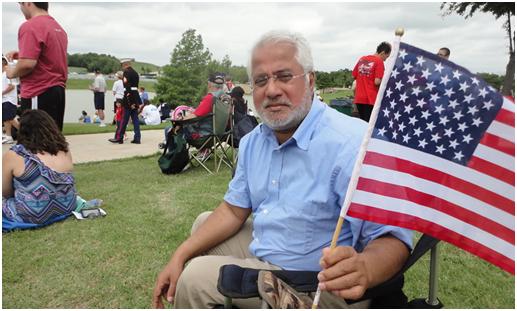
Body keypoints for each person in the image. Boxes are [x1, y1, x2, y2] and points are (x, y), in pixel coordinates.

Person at [152, 30, 412, 309]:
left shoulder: (353, 144)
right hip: (276, 252)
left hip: (317, 283)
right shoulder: (254, 141)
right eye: (261, 80)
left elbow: (392, 238)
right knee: (203, 224)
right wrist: (179, 255)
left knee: (195, 278)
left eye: (284, 76)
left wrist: (365, 267)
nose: (272, 90)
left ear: (310, 80)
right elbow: (232, 210)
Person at [2, 110, 76, 231]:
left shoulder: (15, 154)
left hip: (32, 215)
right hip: (67, 207)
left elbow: (5, 192)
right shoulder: (64, 150)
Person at [5, 2, 68, 131]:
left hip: (38, 91)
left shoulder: (30, 26)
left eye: (20, 4)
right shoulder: (58, 28)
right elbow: (49, 57)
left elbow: (27, 64)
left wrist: (11, 73)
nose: (21, 8)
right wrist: (21, 54)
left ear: (28, 3)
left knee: (34, 144)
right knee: (54, 142)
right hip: (57, 91)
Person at [352, 41, 391, 122]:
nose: (385, 60)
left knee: (362, 122)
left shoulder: (362, 59)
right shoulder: (379, 61)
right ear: (383, 53)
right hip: (370, 99)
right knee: (369, 124)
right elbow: (377, 82)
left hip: (359, 98)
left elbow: (354, 75)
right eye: (386, 57)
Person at [109, 58, 141, 144]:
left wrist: (129, 102)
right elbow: (135, 87)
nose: (122, 67)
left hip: (129, 98)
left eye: (122, 65)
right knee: (135, 119)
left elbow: (126, 87)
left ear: (125, 64)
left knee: (124, 119)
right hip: (135, 96)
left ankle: (120, 137)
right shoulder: (135, 73)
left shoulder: (126, 72)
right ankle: (137, 138)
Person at [2, 56, 19, 144]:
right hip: (4, 99)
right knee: (6, 118)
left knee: (10, 118)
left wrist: (1, 93)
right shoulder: (2, 74)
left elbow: (12, 86)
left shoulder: (9, 73)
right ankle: (8, 136)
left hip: (9, 99)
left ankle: (27, 134)